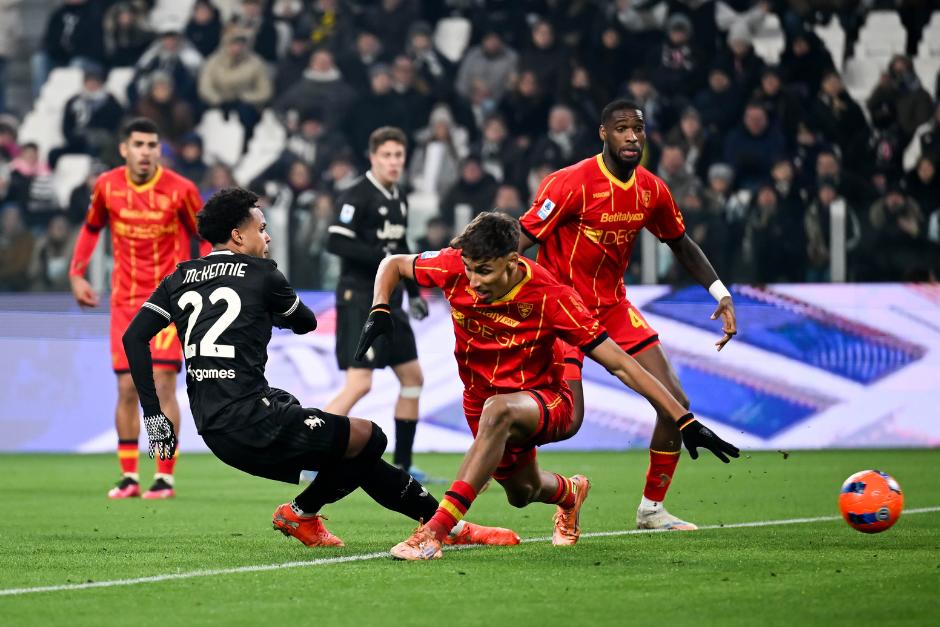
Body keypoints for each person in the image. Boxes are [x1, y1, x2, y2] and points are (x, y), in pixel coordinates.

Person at [121, 187, 519, 549]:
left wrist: (155, 416)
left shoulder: (179, 277)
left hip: (215, 427)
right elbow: (306, 321)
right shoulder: (263, 274)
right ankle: (301, 513)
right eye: (262, 228)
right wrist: (272, 312)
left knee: (353, 454)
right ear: (239, 236)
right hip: (253, 419)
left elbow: (133, 339)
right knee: (370, 437)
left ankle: (447, 528)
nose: (268, 236)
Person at [358, 212, 739, 560]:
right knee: (520, 492)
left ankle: (433, 533)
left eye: (485, 272)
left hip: (549, 399)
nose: (474, 282)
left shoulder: (552, 296)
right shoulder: (454, 267)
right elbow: (392, 264)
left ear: (512, 262)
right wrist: (379, 307)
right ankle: (570, 493)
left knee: (500, 411)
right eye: (471, 270)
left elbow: (621, 364)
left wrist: (682, 418)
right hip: (480, 398)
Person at [518, 99, 738, 532]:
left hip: (614, 308)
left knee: (676, 403)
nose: (632, 136)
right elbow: (522, 237)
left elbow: (680, 242)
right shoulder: (569, 183)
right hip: (564, 311)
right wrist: (477, 281)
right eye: (621, 128)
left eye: (638, 128)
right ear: (603, 133)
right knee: (568, 422)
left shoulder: (651, 189)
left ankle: (652, 510)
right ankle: (534, 471)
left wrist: (720, 291)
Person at [69, 117, 206, 500]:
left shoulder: (181, 191)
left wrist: (205, 280)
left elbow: (205, 236)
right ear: (124, 149)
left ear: (159, 150)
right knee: (127, 387)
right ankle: (129, 476)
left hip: (167, 301)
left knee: (163, 383)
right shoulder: (107, 186)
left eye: (152, 144)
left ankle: (164, 475)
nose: (146, 152)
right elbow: (92, 227)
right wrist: (77, 274)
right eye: (139, 144)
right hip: (125, 301)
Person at [324, 127, 430, 480]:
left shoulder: (399, 197)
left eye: (399, 155)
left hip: (392, 301)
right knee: (360, 384)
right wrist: (384, 260)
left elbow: (401, 245)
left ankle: (403, 465)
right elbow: (336, 242)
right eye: (387, 155)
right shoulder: (355, 195)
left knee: (413, 378)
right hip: (360, 300)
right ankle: (314, 454)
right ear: (373, 157)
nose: (393, 162)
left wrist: (414, 293)